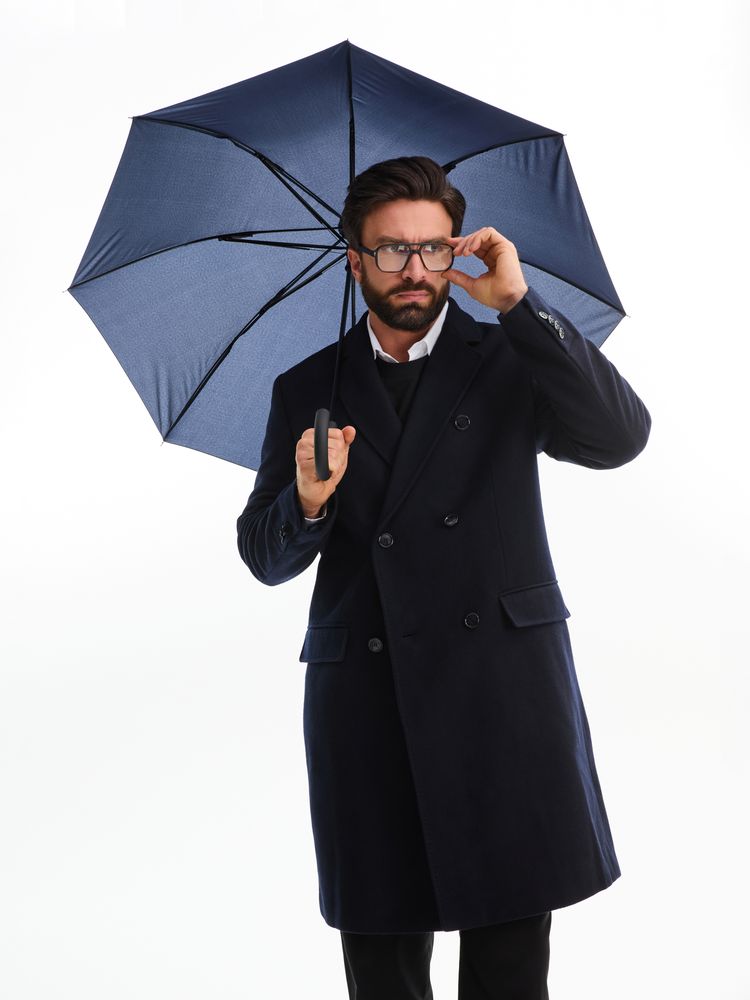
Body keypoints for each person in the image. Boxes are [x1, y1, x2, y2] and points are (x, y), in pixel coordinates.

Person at [236, 156, 651, 1000]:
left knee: (509, 965)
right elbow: (264, 557)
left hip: (502, 689)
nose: (416, 270)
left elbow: (619, 438)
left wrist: (519, 304)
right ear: (355, 260)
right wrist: (308, 501)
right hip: (368, 701)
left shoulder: (509, 355)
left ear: (458, 249)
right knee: (383, 967)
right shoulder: (307, 387)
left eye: (433, 248)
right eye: (392, 251)